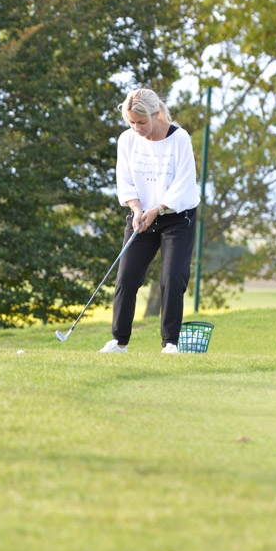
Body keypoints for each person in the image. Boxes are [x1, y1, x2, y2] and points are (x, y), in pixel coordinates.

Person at [99, 88, 200, 354]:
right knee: (126, 278)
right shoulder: (127, 140)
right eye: (131, 122)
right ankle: (119, 342)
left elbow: (185, 183)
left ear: (156, 114)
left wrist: (158, 208)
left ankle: (170, 343)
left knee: (171, 279)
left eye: (141, 122)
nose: (137, 128)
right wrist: (135, 208)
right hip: (140, 217)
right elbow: (126, 180)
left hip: (177, 217)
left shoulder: (179, 139)